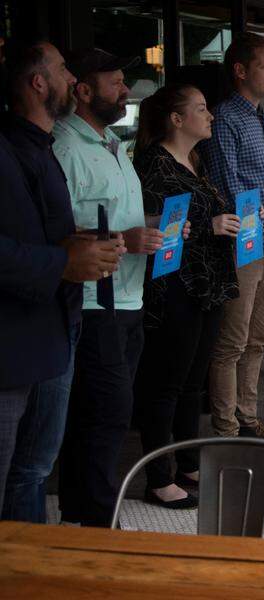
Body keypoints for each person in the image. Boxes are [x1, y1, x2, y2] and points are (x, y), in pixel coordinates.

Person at [0, 40, 124, 521]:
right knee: (18, 469)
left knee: (33, 467)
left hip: (53, 328)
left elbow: (34, 230)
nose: (72, 78)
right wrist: (62, 261)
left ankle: (33, 570)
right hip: (13, 348)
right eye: (61, 68)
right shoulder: (13, 147)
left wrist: (81, 243)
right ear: (38, 83)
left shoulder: (42, 146)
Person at [53, 47, 165, 526]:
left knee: (105, 415)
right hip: (95, 301)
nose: (125, 92)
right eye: (115, 83)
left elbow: (114, 217)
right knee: (106, 415)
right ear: (82, 91)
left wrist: (153, 228)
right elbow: (54, 232)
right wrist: (126, 238)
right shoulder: (63, 148)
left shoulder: (112, 144)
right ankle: (100, 522)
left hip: (130, 296)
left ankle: (83, 514)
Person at [132, 83, 241, 507]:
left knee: (193, 384)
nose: (210, 115)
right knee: (167, 383)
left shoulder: (193, 160)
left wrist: (237, 220)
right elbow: (162, 236)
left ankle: (189, 463)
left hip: (207, 286)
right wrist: (212, 227)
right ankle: (158, 477)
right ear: (176, 120)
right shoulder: (155, 165)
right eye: (201, 108)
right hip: (176, 287)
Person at [200, 32, 264, 442]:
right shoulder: (225, 119)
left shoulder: (262, 118)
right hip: (244, 246)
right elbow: (229, 188)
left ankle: (249, 418)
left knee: (258, 338)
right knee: (232, 342)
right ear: (240, 70)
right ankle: (226, 428)